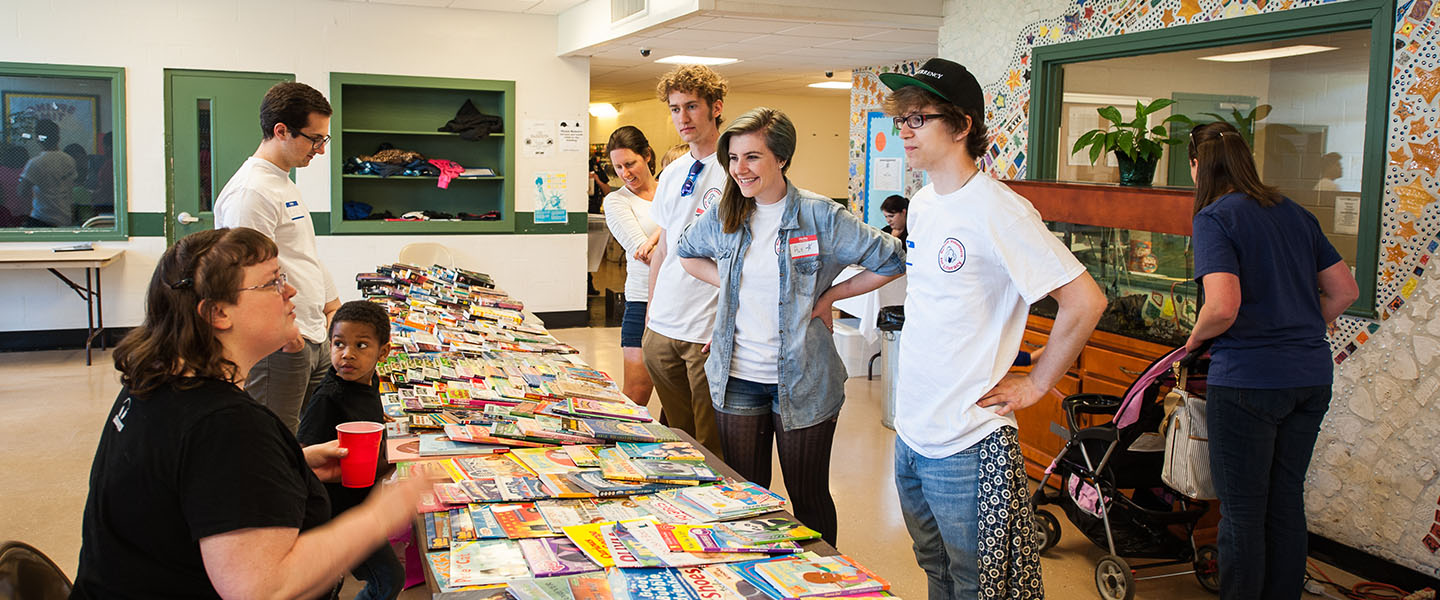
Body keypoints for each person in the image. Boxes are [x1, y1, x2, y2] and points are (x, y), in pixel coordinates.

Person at [71, 228, 427, 599]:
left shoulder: (157, 382)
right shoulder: (224, 424)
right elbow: (265, 589)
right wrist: (379, 516)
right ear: (218, 312)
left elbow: (192, 483)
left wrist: (293, 466)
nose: (290, 292)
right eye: (272, 283)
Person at [880, 58, 1107, 599]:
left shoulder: (999, 210)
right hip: (913, 433)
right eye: (902, 119)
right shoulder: (924, 203)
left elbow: (1084, 300)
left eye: (919, 118)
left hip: (968, 441)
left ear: (961, 126)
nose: (905, 130)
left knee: (981, 587)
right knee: (935, 570)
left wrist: (1037, 383)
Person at [676, 107, 905, 547]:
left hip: (803, 378)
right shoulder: (727, 213)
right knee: (747, 497)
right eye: (733, 157)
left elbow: (892, 259)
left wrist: (830, 297)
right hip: (738, 377)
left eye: (752, 157)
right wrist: (730, 289)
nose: (739, 169)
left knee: (808, 497)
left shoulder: (821, 215)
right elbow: (687, 252)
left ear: (781, 158)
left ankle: (825, 584)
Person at [1184, 121, 1358, 600]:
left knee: (1241, 512)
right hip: (1310, 377)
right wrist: (1302, 321)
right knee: (1284, 502)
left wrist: (1193, 342)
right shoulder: (1295, 212)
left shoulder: (1215, 217)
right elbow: (1345, 290)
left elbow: (1221, 306)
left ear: (1197, 166)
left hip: (1248, 382)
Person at [214, 82, 341, 434]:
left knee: (309, 435)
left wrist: (332, 305)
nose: (320, 149)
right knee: (275, 438)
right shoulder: (251, 192)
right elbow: (252, 279)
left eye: (323, 140)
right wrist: (288, 336)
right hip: (283, 342)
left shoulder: (282, 182)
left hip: (311, 333)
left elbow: (302, 254)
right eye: (314, 139)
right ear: (280, 130)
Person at [643, 64, 732, 458]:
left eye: (691, 106)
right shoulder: (674, 171)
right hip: (663, 325)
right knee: (677, 440)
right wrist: (649, 315)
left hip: (705, 329)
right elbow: (663, 248)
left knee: (712, 443)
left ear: (716, 107)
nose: (683, 117)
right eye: (675, 108)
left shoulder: (737, 169)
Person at [297, 300, 402, 600]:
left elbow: (364, 413)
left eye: (361, 345)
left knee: (338, 582)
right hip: (338, 513)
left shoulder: (368, 381)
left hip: (361, 507)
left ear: (383, 353)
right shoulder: (328, 399)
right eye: (339, 344)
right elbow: (304, 454)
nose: (347, 354)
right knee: (388, 580)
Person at [602, 126, 662, 408]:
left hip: (682, 302)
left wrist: (659, 237)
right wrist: (669, 232)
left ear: (647, 156)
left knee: (682, 397)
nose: (625, 173)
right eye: (618, 167)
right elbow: (644, 253)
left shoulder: (671, 192)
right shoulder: (616, 201)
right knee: (636, 392)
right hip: (641, 300)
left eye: (630, 163)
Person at [18, 119, 77, 228]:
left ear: (38, 139)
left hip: (41, 218)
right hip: (65, 218)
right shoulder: (69, 160)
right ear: (58, 137)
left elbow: (22, 191)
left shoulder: (36, 163)